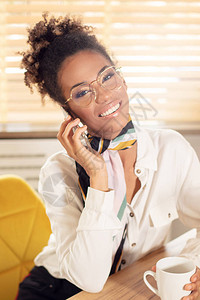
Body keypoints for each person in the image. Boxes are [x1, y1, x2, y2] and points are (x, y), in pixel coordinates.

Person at [16, 13, 200, 300]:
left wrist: (196, 267)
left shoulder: (171, 149)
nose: (103, 96)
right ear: (69, 113)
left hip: (133, 282)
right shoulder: (56, 172)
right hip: (57, 289)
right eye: (82, 93)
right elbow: (88, 279)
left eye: (107, 77)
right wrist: (98, 176)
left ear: (122, 78)